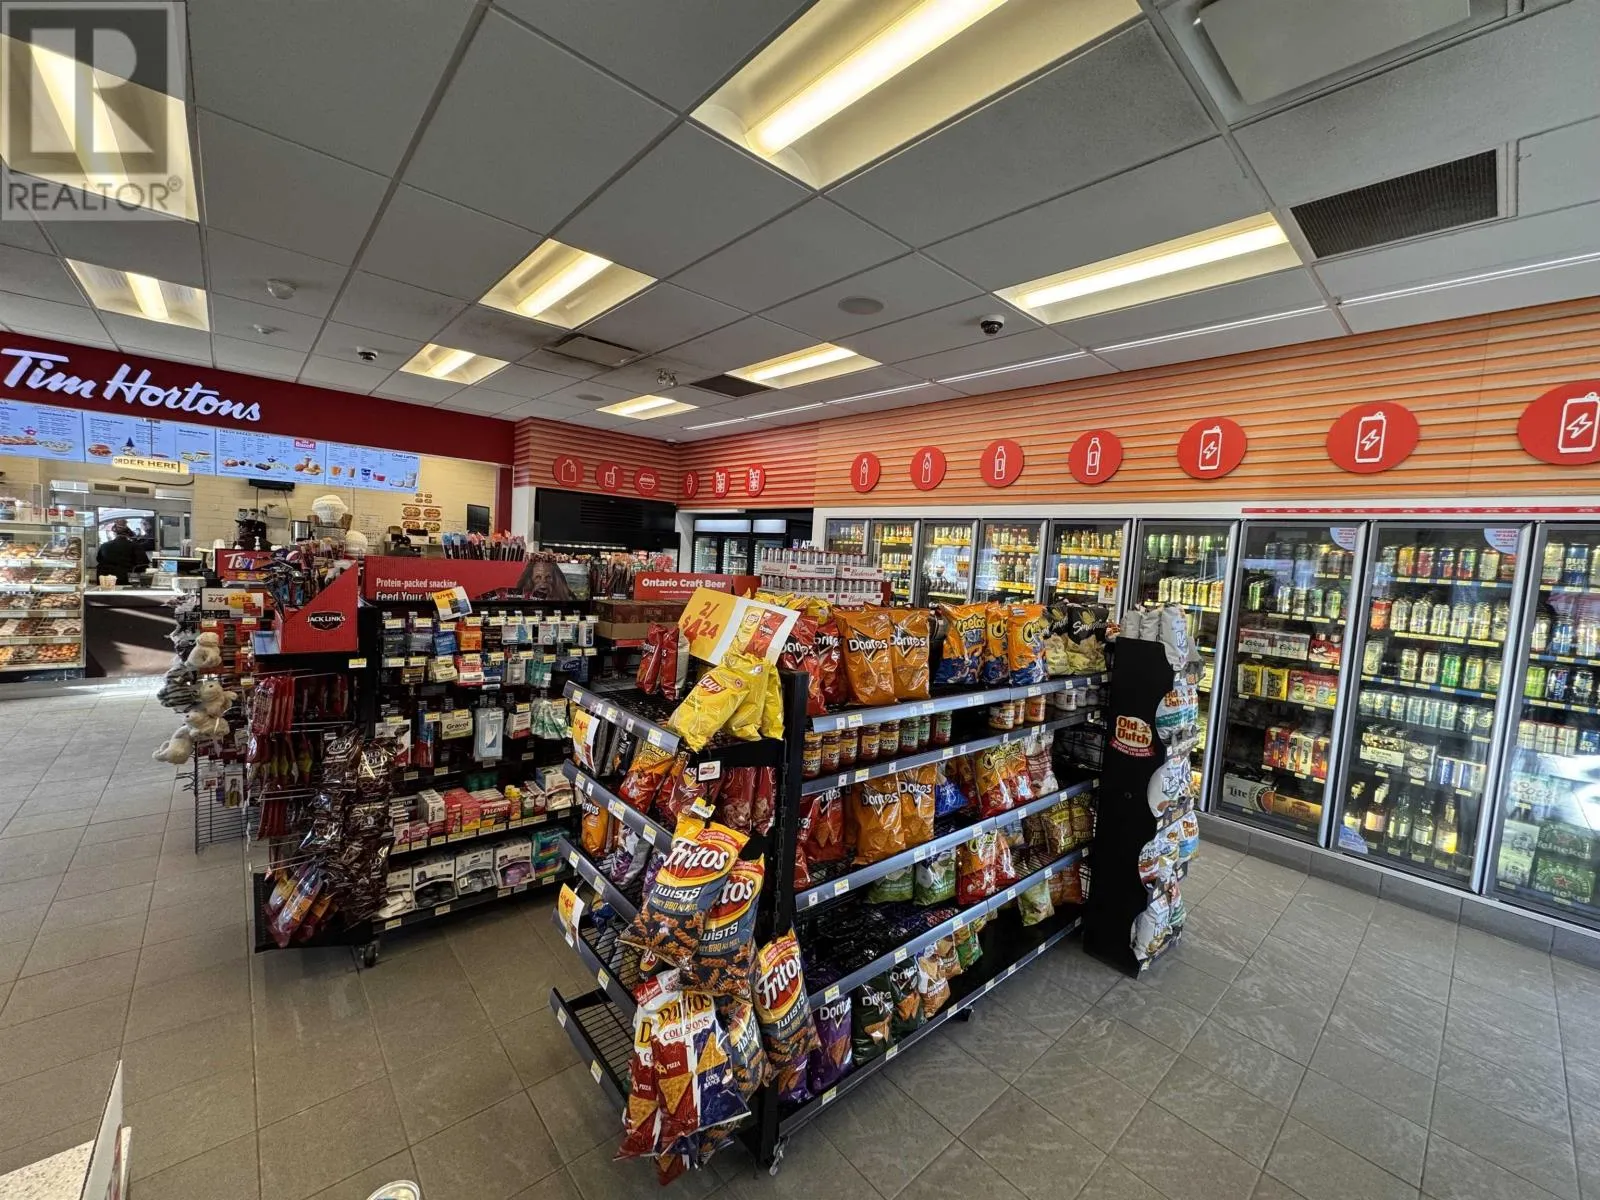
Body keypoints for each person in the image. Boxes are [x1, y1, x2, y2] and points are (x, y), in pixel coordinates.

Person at [97, 520, 149, 585]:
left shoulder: (104, 545)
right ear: (128, 533)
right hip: (126, 580)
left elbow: (99, 559)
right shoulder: (135, 546)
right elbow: (144, 563)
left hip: (106, 580)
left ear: (114, 533)